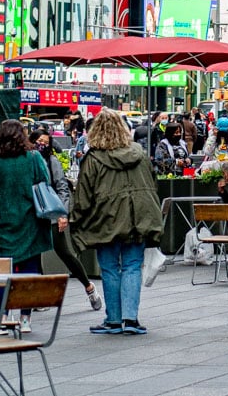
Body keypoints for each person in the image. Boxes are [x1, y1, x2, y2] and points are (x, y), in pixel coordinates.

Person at [69, 109, 164, 335]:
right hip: (137, 218)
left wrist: (75, 219)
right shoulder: (139, 153)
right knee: (132, 266)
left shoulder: (93, 158)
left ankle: (113, 320)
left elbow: (83, 196)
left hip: (106, 220)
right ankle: (130, 319)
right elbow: (152, 183)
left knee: (110, 268)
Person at [32, 129, 102, 312]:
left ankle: (89, 287)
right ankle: (38, 296)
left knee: (64, 252)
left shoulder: (51, 161)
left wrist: (62, 214)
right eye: (39, 141)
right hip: (34, 215)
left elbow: (62, 188)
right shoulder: (28, 161)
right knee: (34, 255)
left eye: (45, 142)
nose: (42, 145)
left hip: (51, 213)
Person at [0, 120, 53, 280]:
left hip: (2, 222)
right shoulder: (33, 157)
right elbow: (44, 181)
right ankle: (26, 297)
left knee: (3, 273)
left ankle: (3, 297)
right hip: (30, 222)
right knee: (30, 271)